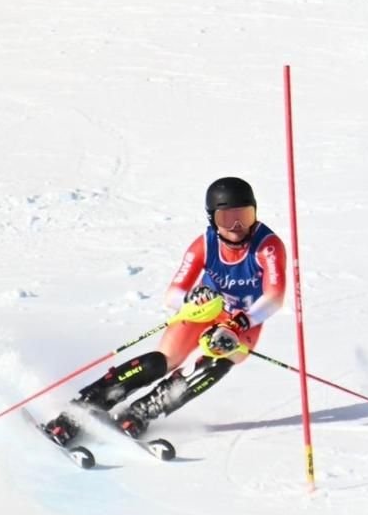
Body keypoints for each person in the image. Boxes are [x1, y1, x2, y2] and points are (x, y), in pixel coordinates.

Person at [51, 176, 287, 439]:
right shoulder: (205, 245)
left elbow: (275, 296)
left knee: (217, 363)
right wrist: (190, 302)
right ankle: (88, 403)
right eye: (226, 218)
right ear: (212, 219)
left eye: (244, 215)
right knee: (160, 361)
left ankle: (143, 412)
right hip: (205, 312)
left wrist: (243, 322)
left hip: (243, 323)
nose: (236, 226)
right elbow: (172, 294)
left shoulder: (268, 247)